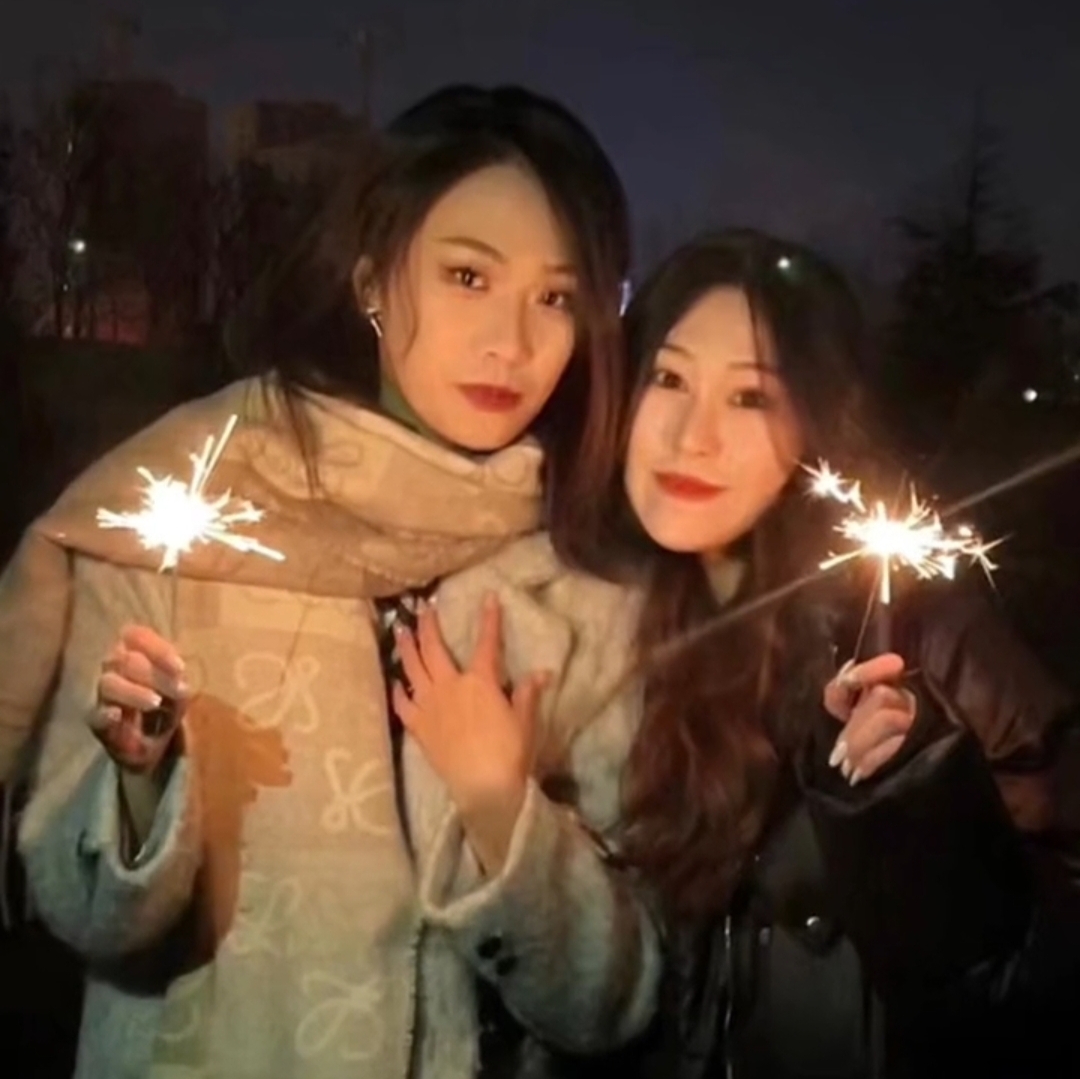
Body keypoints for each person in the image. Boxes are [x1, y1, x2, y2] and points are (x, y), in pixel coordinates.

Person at [0, 85, 660, 1079]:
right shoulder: (190, 504)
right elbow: (83, 912)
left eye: (557, 297)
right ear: (372, 279)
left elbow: (614, 1001)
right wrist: (139, 784)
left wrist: (500, 810)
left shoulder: (586, 581)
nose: (512, 343)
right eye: (468, 276)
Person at [583, 228, 1078, 1079]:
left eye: (750, 397)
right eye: (668, 378)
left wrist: (919, 818)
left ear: (815, 425)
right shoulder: (595, 620)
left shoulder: (917, 638)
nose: (692, 436)